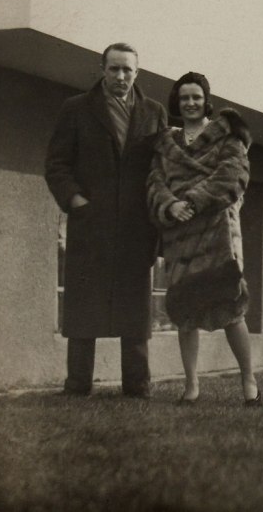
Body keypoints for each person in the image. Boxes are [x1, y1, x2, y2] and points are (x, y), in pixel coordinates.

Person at [45, 43, 167, 397]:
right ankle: (77, 384)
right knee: (84, 305)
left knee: (135, 309)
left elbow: (162, 169)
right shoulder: (76, 109)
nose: (121, 76)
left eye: (127, 70)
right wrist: (76, 202)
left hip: (135, 228)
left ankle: (137, 385)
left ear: (137, 73)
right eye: (114, 69)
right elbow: (57, 165)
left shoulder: (153, 112)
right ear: (102, 69)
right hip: (90, 225)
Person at [147, 72, 260, 406]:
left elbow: (233, 175)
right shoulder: (167, 142)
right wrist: (171, 205)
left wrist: (193, 201)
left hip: (217, 231)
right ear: (177, 103)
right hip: (181, 233)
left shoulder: (228, 137)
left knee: (231, 307)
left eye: (196, 97)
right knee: (184, 310)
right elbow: (154, 181)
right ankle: (192, 385)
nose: (191, 103)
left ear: (206, 100)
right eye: (184, 98)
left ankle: (248, 379)